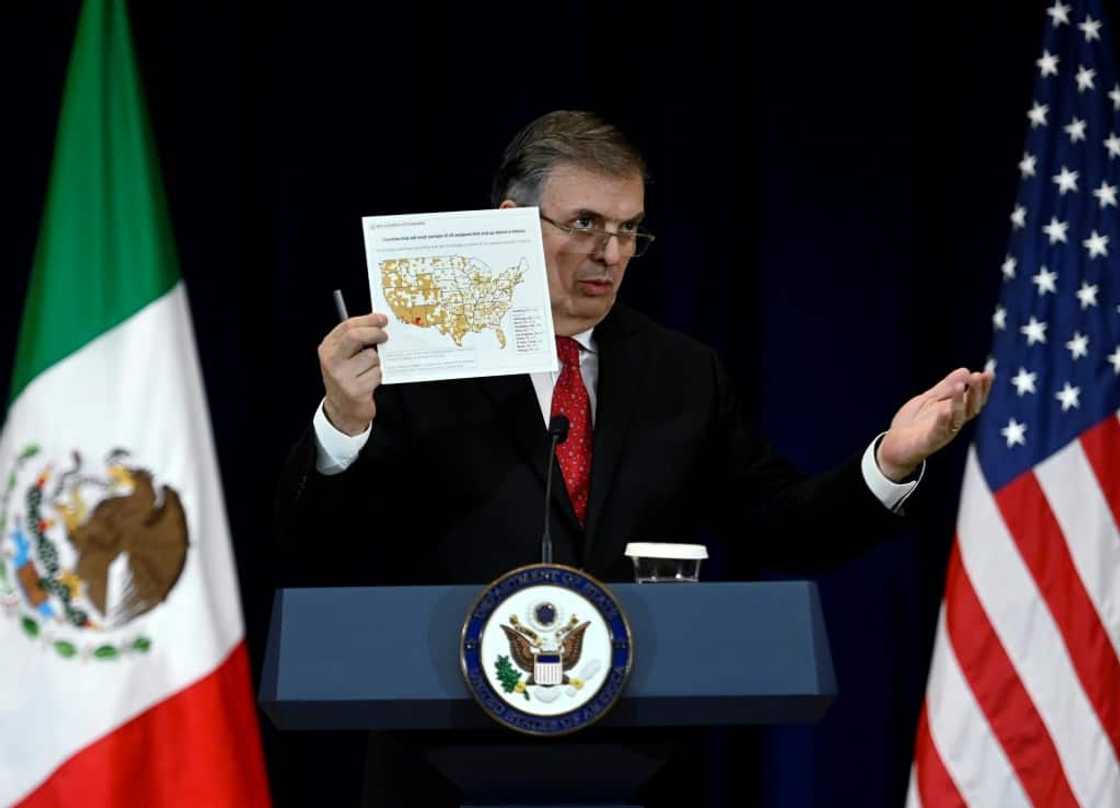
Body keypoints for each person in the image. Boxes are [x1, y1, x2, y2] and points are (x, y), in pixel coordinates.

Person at [275, 110, 992, 805]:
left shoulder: (681, 373)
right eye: (585, 223)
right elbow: (320, 545)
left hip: (641, 769)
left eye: (628, 229)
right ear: (508, 222)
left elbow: (781, 524)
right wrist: (342, 421)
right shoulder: (413, 365)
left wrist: (890, 463)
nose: (612, 253)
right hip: (438, 767)